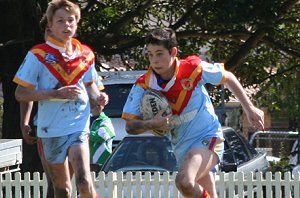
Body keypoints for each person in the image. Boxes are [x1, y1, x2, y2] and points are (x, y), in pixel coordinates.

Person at [121, 28, 264, 198]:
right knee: (201, 191)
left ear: (173, 52)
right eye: (150, 55)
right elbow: (130, 127)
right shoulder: (143, 85)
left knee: (184, 182)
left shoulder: (193, 68)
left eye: (159, 53)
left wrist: (249, 108)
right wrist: (151, 124)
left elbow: (228, 77)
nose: (155, 60)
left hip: (207, 135)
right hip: (180, 145)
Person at [13, 0, 107, 197]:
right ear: (51, 25)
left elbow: (91, 86)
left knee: (83, 181)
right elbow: (20, 94)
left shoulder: (86, 54)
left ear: (77, 22)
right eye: (61, 21)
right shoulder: (38, 55)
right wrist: (54, 94)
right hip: (50, 129)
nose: (67, 25)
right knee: (62, 189)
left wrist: (99, 97)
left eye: (71, 20)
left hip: (78, 126)